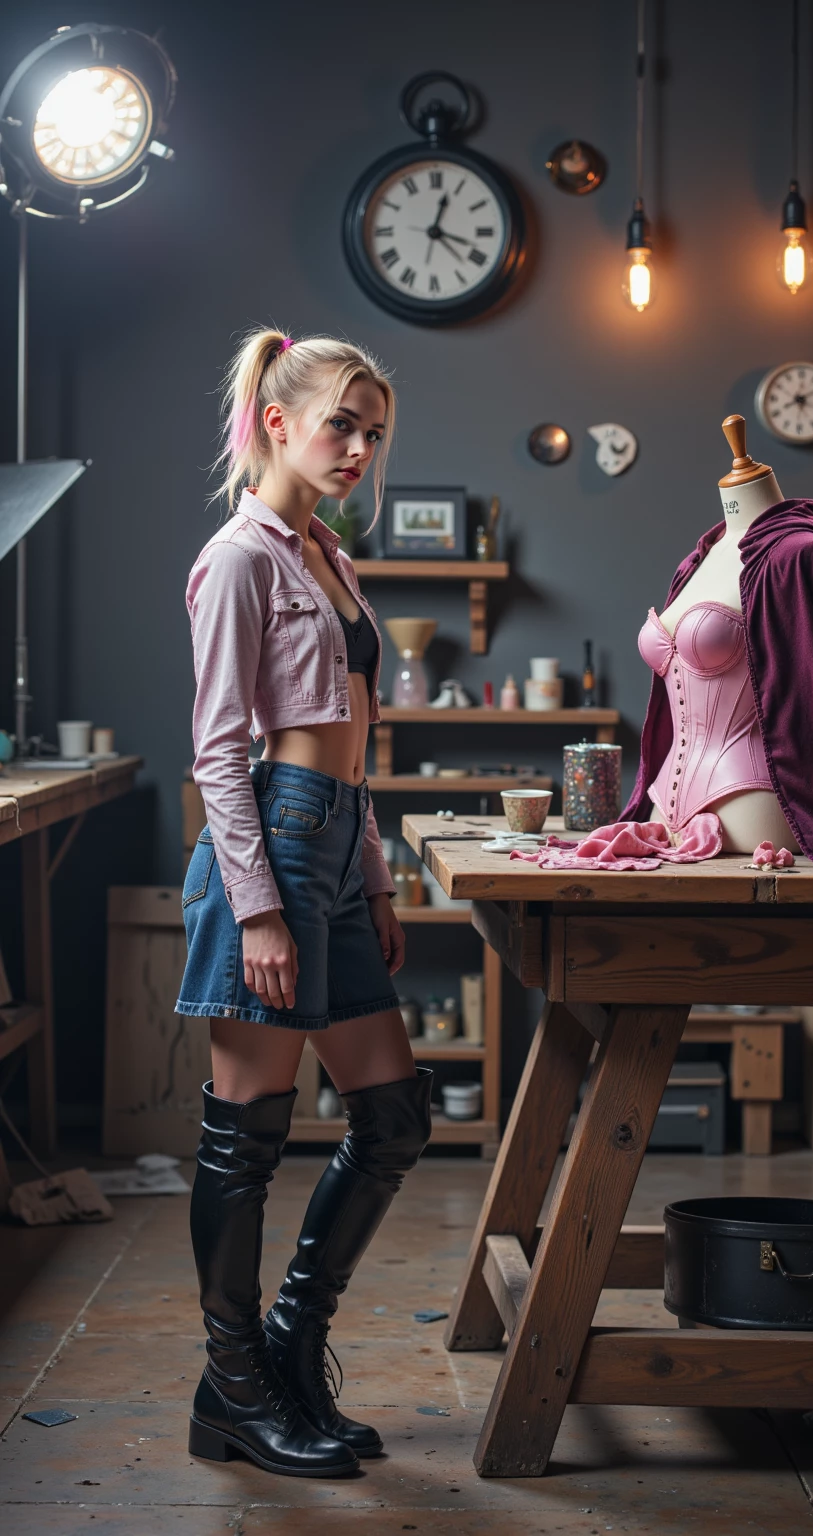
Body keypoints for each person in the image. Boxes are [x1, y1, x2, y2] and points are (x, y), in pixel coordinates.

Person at [175, 329, 432, 1478]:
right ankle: (233, 1389)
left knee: (392, 1118)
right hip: (264, 848)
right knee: (245, 1141)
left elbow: (356, 747)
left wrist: (368, 876)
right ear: (276, 420)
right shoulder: (241, 557)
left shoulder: (332, 558)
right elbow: (221, 752)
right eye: (342, 424)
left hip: (330, 844)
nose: (360, 449)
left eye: (373, 432)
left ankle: (288, 1344)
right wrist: (263, 909)